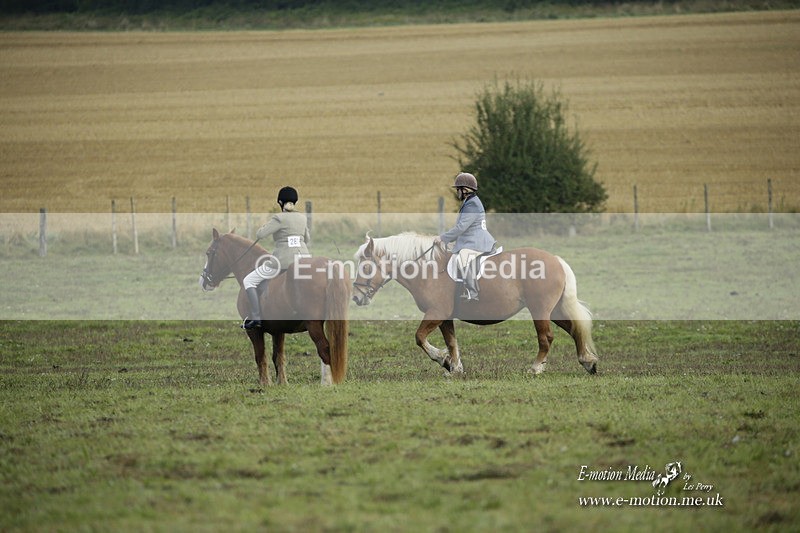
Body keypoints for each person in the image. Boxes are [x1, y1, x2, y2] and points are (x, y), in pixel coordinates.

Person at [242, 186, 310, 329]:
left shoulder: (278, 218)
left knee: (248, 280)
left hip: (282, 261)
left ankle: (256, 318)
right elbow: (307, 239)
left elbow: (260, 235)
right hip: (304, 259)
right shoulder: (302, 218)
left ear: (280, 202)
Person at [433, 172, 496, 301]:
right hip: (471, 239)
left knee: (463, 258)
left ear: (465, 190)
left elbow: (461, 227)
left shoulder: (472, 204)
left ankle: (472, 292)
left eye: (458, 189)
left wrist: (443, 238)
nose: (457, 192)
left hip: (476, 241)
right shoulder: (469, 201)